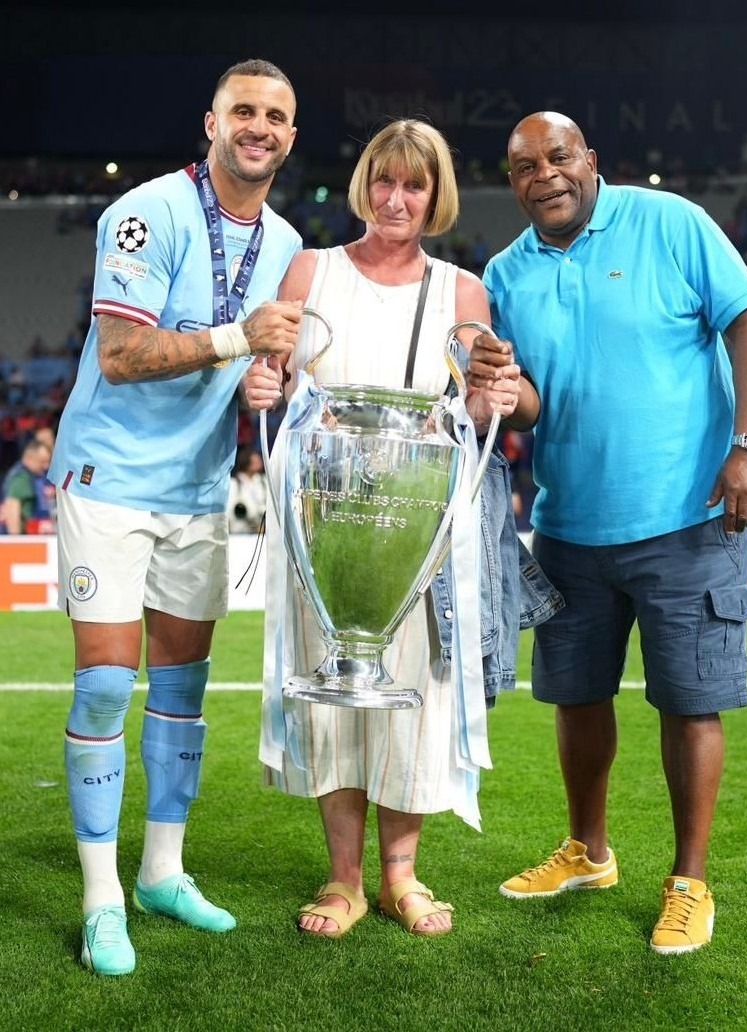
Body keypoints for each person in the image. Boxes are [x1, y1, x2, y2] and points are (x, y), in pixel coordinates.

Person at [468, 111, 747, 955]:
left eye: (558, 156)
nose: (544, 175)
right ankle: (588, 850)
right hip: (569, 523)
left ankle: (689, 881)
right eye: (524, 166)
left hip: (688, 517)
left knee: (690, 701)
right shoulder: (505, 270)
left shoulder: (669, 221)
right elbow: (531, 405)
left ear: (590, 160)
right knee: (577, 696)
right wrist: (498, 382)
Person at [47, 58, 303, 976]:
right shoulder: (148, 212)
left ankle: (161, 871)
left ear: (290, 137)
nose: (258, 126)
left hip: (196, 491)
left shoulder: (285, 244)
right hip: (108, 480)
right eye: (244, 109)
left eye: (275, 115)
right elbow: (118, 353)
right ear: (211, 121)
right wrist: (241, 340)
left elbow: (266, 366)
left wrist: (266, 379)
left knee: (184, 690)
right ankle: (101, 896)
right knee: (110, 685)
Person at [251, 119, 536, 940]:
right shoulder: (311, 270)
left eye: (414, 184)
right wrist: (258, 389)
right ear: (363, 186)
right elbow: (270, 374)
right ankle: (344, 878)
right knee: (333, 696)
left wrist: (496, 394)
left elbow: (477, 410)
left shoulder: (462, 291)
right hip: (324, 522)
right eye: (383, 180)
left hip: (420, 531)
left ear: (435, 195)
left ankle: (401, 875)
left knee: (414, 698)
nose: (396, 198)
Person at [0, 437, 54, 534]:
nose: (46, 466)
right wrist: (16, 541)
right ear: (29, 458)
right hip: (23, 539)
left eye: (47, 462)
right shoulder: (21, 478)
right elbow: (12, 509)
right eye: (42, 462)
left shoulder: (34, 476)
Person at [226, 445, 268, 533]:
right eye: (255, 461)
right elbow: (230, 510)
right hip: (239, 531)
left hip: (260, 530)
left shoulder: (263, 481)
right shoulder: (235, 483)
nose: (259, 463)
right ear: (247, 462)